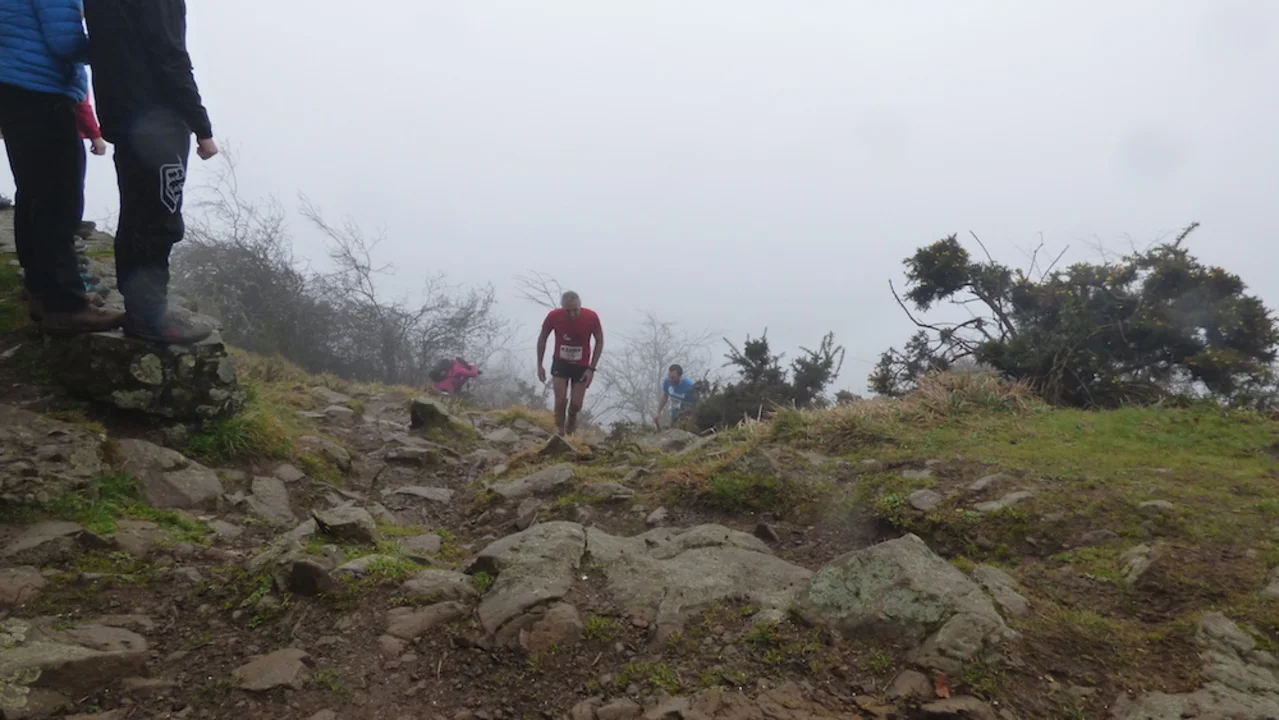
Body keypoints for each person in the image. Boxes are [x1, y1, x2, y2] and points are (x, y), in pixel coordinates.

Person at [83, 0, 219, 344]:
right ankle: (150, 317)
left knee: (136, 213)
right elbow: (170, 57)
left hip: (124, 114)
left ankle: (140, 309)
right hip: (157, 121)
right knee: (159, 218)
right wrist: (201, 126)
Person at [0, 0, 126, 334]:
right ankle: (66, 305)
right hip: (41, 91)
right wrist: (116, 44)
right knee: (59, 199)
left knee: (34, 193)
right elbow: (65, 43)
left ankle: (42, 290)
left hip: (15, 87)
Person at [537, 291, 603, 435]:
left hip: (581, 365)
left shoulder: (591, 317)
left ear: (580, 306)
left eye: (575, 310)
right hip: (561, 363)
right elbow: (542, 338)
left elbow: (599, 340)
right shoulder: (554, 316)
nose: (572, 314)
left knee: (576, 404)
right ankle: (559, 432)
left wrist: (591, 368)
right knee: (560, 400)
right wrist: (539, 365)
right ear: (562, 307)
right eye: (567, 311)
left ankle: (571, 423)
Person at [655, 364, 696, 428]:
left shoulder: (690, 386)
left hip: (687, 417)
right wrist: (658, 412)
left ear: (680, 376)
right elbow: (665, 397)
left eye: (673, 378)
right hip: (674, 416)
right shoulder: (667, 382)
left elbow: (697, 403)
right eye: (669, 376)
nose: (670, 380)